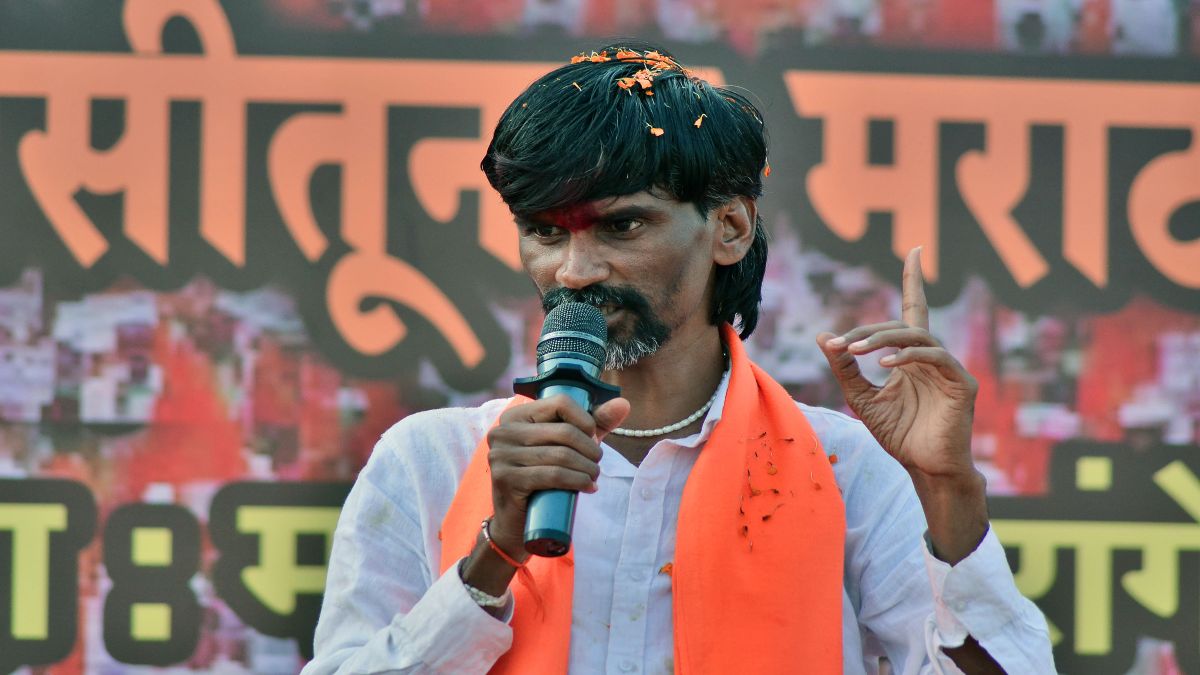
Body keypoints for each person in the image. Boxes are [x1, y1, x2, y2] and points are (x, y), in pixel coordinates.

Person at [303, 43, 1055, 674]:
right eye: (545, 232)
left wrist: (948, 490)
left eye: (622, 226)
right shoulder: (430, 461)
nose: (573, 271)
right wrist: (494, 553)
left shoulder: (846, 468)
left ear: (730, 227)